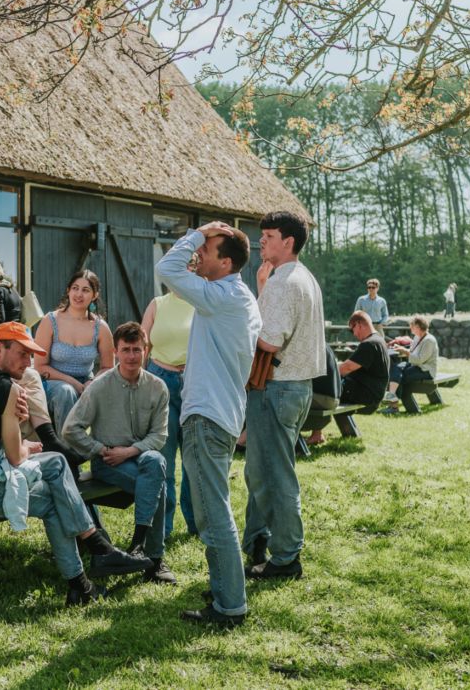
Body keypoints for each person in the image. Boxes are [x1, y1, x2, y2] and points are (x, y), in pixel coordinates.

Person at [0, 321, 152, 607]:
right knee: (55, 477)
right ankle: (94, 554)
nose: (29, 362)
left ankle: (84, 578)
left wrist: (16, 422)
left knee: (56, 470)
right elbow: (14, 457)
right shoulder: (5, 388)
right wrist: (26, 445)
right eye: (22, 354)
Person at [155, 221, 261, 627]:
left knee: (211, 514)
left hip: (207, 415)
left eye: (208, 249)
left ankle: (230, 605)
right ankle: (224, 587)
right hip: (221, 413)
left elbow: (167, 269)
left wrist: (196, 232)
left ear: (226, 261)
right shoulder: (235, 295)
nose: (199, 253)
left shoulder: (221, 296)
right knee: (212, 509)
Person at [243, 211, 325, 582]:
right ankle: (257, 542)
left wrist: (234, 331)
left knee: (271, 475)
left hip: (276, 387)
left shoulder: (282, 282)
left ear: (288, 241)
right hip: (298, 387)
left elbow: (268, 340)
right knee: (264, 468)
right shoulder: (305, 278)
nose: (262, 241)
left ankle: (286, 556)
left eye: (269, 235)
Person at [63, 321, 176, 584]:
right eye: (126, 350)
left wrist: (129, 452)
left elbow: (159, 436)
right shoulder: (100, 387)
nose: (132, 356)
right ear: (115, 351)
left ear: (146, 350)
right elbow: (71, 428)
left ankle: (138, 547)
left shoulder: (157, 387)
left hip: (140, 459)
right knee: (157, 482)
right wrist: (99, 449)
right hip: (108, 463)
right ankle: (154, 559)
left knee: (155, 461)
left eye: (137, 350)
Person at [141, 288, 196, 537]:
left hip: (194, 381)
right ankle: (163, 526)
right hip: (158, 379)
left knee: (194, 459)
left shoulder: (202, 301)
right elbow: (143, 345)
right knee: (164, 456)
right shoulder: (157, 304)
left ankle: (197, 523)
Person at [33, 270, 114, 431]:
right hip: (53, 383)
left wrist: (92, 382)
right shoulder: (50, 321)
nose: (79, 294)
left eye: (85, 290)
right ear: (68, 290)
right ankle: (68, 450)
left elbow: (108, 367)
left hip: (87, 382)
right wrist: (74, 383)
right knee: (66, 392)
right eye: (75, 288)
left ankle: (105, 450)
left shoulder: (101, 327)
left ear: (95, 295)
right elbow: (40, 366)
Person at [307, 311, 389, 445]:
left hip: (365, 393)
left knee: (323, 391)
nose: (354, 334)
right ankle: (317, 433)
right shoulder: (379, 340)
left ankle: (315, 434)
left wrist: (322, 373)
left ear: (359, 325)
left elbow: (346, 369)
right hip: (372, 391)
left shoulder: (369, 344)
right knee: (328, 387)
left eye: (352, 330)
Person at [382, 315, 438, 414]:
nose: (410, 327)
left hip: (426, 370)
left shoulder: (429, 340)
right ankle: (392, 402)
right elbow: (413, 352)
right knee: (396, 369)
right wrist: (400, 348)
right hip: (415, 366)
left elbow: (420, 360)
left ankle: (393, 406)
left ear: (418, 326)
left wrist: (405, 351)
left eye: (412, 325)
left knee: (399, 377)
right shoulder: (417, 337)